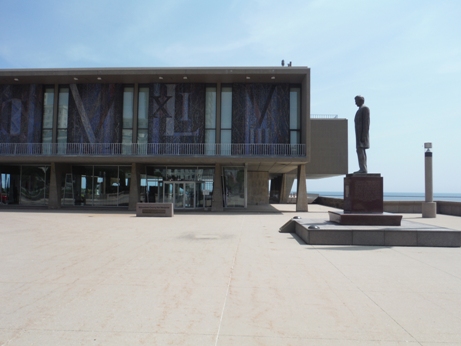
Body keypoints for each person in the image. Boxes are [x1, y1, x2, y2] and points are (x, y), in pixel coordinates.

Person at [354, 95, 370, 173]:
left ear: (360, 101)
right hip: (358, 136)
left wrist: (364, 136)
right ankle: (362, 168)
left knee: (361, 151)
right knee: (359, 151)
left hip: (362, 136)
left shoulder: (365, 109)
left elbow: (366, 123)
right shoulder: (359, 110)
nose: (355, 103)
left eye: (356, 101)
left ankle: (363, 169)